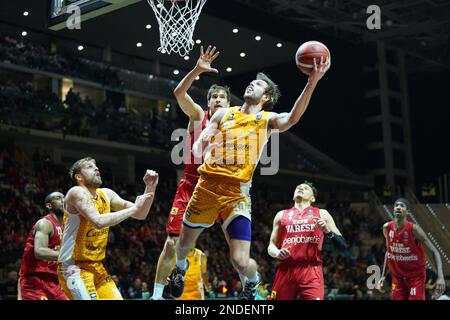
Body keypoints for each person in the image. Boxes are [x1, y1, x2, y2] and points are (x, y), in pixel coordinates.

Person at [169, 55, 330, 300]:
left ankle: (252, 282)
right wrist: (202, 146)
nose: (251, 85)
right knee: (182, 245)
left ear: (266, 98)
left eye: (258, 85)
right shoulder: (223, 115)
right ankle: (180, 271)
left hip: (236, 193)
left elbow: (293, 118)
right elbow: (198, 147)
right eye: (251, 83)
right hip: (206, 187)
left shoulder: (266, 120)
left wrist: (312, 82)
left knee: (240, 260)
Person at [151, 45, 230, 299]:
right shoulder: (198, 116)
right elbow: (178, 92)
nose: (217, 100)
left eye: (222, 97)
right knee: (172, 243)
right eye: (213, 97)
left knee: (237, 245)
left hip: (218, 189)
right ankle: (156, 295)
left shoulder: (234, 127)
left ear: (228, 104)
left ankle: (251, 288)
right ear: (208, 102)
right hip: (191, 184)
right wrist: (197, 69)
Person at [57, 157, 158, 300]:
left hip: (97, 267)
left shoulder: (106, 194)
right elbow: (98, 221)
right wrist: (135, 207)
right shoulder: (76, 192)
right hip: (73, 267)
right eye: (90, 167)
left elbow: (141, 214)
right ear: (79, 177)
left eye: (96, 166)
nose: (96, 168)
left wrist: (150, 187)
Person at [267, 182, 347, 300]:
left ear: (313, 198)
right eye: (298, 187)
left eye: (305, 188)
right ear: (293, 196)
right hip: (286, 268)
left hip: (311, 270)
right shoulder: (281, 215)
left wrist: (327, 231)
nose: (300, 188)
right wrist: (278, 253)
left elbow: (343, 245)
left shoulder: (322, 214)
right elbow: (271, 246)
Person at [378, 197, 445, 300]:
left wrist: (440, 277)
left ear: (407, 211)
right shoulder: (386, 228)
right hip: (398, 278)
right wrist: (383, 276)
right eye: (396, 205)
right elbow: (389, 253)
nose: (398, 207)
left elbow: (435, 251)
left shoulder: (414, 229)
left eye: (402, 206)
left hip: (416, 277)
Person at [18, 192, 68, 300]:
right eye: (58, 198)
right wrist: (69, 256)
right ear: (49, 206)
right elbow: (39, 251)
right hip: (35, 281)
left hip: (55, 281)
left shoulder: (65, 228)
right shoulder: (45, 223)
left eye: (64, 197)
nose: (64, 200)